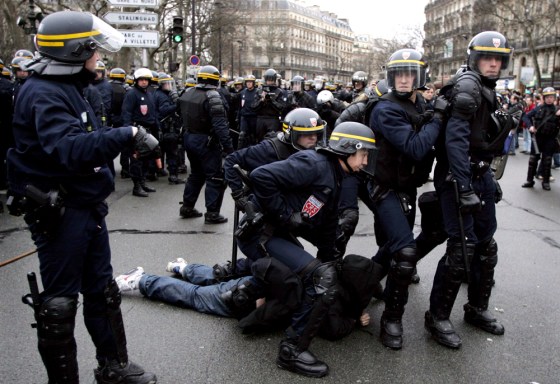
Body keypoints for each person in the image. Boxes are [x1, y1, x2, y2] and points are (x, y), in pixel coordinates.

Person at [5, 11, 157, 383]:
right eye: (94, 52)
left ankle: (113, 366)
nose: (99, 59)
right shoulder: (44, 91)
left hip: (85, 206)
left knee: (102, 291)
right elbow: (68, 148)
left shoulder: (68, 88)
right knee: (59, 305)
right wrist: (126, 135)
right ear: (75, 52)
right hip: (61, 211)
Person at [236, 122, 377, 377]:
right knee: (318, 277)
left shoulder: (337, 176)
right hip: (260, 234)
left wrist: (331, 260)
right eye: (364, 153)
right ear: (348, 149)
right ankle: (290, 351)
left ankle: (240, 284)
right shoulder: (315, 164)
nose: (366, 161)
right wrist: (285, 215)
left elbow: (325, 225)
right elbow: (261, 177)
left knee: (323, 273)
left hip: (278, 234)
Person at [425, 31, 516, 349]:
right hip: (456, 177)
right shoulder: (466, 87)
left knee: (485, 246)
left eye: (497, 59)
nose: (493, 63)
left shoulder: (488, 89)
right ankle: (437, 316)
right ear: (473, 59)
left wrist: (489, 179)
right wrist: (463, 187)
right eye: (486, 58)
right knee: (461, 249)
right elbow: (456, 141)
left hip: (479, 176)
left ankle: (476, 308)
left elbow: (483, 143)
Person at [368, 48, 444, 350]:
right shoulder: (385, 108)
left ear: (420, 76)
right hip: (383, 188)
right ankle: (391, 319)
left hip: (407, 188)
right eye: (398, 73)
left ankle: (365, 283)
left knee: (391, 248)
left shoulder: (422, 102)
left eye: (409, 73)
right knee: (405, 251)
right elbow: (414, 147)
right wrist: (437, 119)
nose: (403, 79)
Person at [114, 253, 376, 340]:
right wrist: (354, 319)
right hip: (245, 297)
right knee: (194, 296)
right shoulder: (330, 299)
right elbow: (333, 330)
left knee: (214, 279)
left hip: (255, 285)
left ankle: (181, 267)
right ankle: (140, 280)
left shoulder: (327, 272)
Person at [177, 65, 234, 224]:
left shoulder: (187, 93)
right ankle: (212, 213)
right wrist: (229, 148)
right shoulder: (212, 96)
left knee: (196, 174)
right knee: (215, 177)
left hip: (189, 138)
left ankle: (187, 207)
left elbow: (178, 114)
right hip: (206, 142)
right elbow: (220, 125)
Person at [121, 67, 160, 197]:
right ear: (136, 81)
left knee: (146, 159)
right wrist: (129, 131)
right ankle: (136, 186)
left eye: (146, 80)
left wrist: (156, 128)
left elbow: (153, 113)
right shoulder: (132, 94)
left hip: (148, 131)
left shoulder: (149, 94)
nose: (144, 82)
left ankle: (143, 182)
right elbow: (126, 113)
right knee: (136, 159)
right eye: (141, 80)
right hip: (137, 131)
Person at [521, 87, 560, 191]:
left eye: (551, 97)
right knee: (533, 160)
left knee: (547, 161)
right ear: (544, 98)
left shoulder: (557, 110)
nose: (549, 99)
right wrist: (530, 126)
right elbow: (525, 116)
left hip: (550, 139)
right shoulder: (538, 108)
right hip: (538, 138)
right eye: (547, 97)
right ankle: (530, 180)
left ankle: (546, 182)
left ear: (554, 98)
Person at [154, 73, 184, 185]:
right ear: (162, 84)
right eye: (167, 83)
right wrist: (177, 105)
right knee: (172, 153)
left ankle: (157, 171)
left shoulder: (157, 94)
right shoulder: (163, 96)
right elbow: (164, 110)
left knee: (159, 151)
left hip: (160, 128)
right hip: (166, 128)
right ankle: (173, 176)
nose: (169, 86)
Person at [252, 68, 286, 143]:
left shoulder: (279, 92)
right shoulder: (259, 91)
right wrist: (261, 100)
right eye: (268, 79)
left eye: (271, 80)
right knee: (259, 140)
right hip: (261, 119)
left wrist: (271, 100)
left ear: (274, 80)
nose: (269, 82)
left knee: (272, 141)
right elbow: (253, 107)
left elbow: (281, 108)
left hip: (273, 119)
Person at [237, 75, 258, 149]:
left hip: (253, 117)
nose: (248, 83)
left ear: (253, 83)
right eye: (247, 82)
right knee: (241, 135)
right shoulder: (242, 92)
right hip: (244, 117)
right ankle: (238, 152)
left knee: (253, 137)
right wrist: (238, 117)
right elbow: (240, 106)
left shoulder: (257, 92)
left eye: (250, 82)